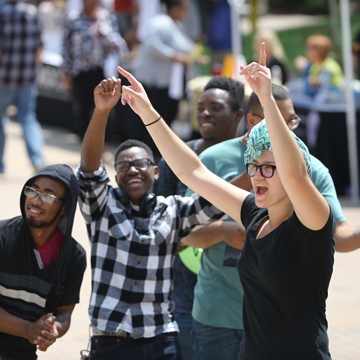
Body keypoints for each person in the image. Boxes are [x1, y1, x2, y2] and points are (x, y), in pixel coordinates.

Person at [118, 41, 335, 359]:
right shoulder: (255, 215)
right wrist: (148, 113)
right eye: (253, 166)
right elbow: (194, 173)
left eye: (269, 169)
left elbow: (296, 176)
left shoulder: (313, 223)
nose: (257, 176)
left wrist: (265, 97)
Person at [76, 75, 243, 360]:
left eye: (141, 163)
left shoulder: (173, 209)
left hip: (160, 341)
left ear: (156, 172)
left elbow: (216, 200)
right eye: (124, 165)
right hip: (110, 343)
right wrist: (102, 111)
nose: (133, 170)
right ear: (115, 176)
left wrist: (257, 169)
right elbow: (90, 170)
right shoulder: (102, 209)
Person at [153, 75, 244, 359]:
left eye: (215, 107)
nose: (205, 113)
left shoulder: (256, 163)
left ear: (238, 115)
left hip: (236, 301)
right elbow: (158, 230)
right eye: (200, 107)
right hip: (183, 297)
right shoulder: (173, 162)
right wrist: (218, 231)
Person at [0, 164, 87, 360]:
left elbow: (64, 314)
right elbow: (29, 329)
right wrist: (27, 328)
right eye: (32, 191)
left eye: (48, 196)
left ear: (65, 207)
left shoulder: (74, 256)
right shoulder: (2, 237)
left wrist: (52, 329)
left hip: (22, 354)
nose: (35, 200)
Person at [131, 0, 200, 159]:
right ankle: (147, 155)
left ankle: (154, 154)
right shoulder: (160, 23)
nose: (186, 13)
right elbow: (152, 45)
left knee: (163, 118)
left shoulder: (175, 25)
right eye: (184, 9)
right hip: (154, 83)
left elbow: (185, 46)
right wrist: (176, 57)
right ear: (175, 8)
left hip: (167, 83)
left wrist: (193, 55)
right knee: (152, 119)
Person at [62, 0, 128, 140]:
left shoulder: (106, 18)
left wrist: (104, 31)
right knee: (82, 107)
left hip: (100, 70)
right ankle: (85, 142)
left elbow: (117, 42)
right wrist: (66, 73)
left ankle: (104, 142)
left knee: (104, 106)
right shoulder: (73, 19)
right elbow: (66, 47)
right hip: (80, 71)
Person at [0, 0, 46, 174]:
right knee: (28, 118)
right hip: (27, 77)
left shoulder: (2, 12)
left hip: (4, 77)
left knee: (1, 120)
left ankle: (0, 163)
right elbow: (40, 46)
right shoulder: (32, 12)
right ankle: (37, 159)